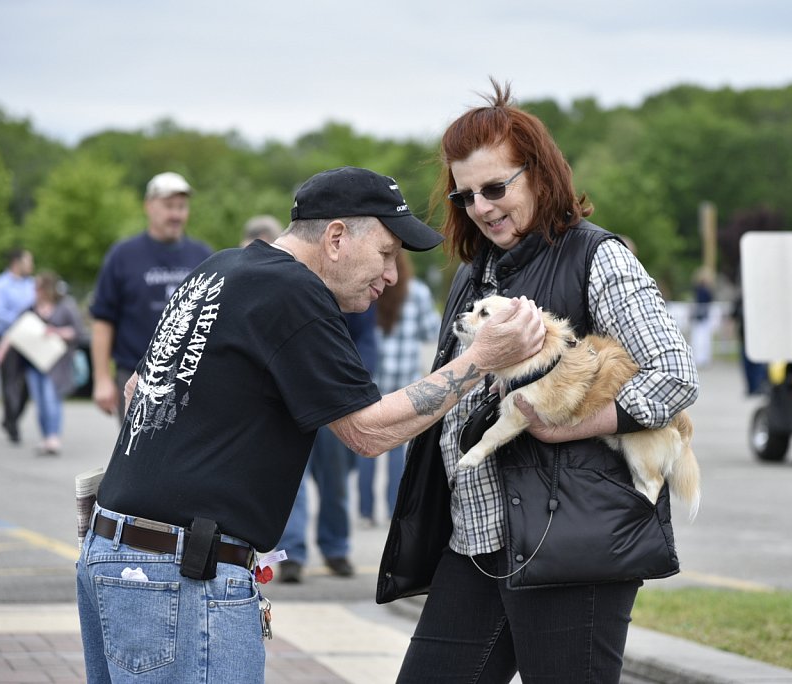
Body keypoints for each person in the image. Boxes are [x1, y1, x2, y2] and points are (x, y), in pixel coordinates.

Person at [76, 166, 546, 683]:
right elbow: (367, 432)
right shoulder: (294, 293)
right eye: (387, 253)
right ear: (337, 237)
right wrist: (481, 356)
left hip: (115, 556)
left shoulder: (220, 268)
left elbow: (138, 386)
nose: (391, 276)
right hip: (180, 575)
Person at [377, 80, 699, 683]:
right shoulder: (475, 273)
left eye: (496, 187)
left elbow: (674, 378)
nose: (481, 206)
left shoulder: (596, 256)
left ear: (541, 175)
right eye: (466, 194)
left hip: (569, 538)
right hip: (475, 540)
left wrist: (562, 425)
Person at [89, 171, 213, 419]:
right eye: (168, 206)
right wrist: (102, 379)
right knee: (136, 455)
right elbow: (102, 320)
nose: (176, 214)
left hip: (190, 378)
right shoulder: (123, 256)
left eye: (182, 206)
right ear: (148, 206)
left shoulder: (203, 256)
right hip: (135, 376)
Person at [276, 306, 377, 583]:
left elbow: (365, 339)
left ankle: (335, 549)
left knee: (336, 481)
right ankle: (291, 555)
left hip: (335, 398)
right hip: (289, 396)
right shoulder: (287, 281)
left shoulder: (350, 283)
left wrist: (358, 381)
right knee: (290, 484)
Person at [357, 251, 440, 526]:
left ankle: (367, 511)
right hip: (406, 380)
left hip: (373, 378)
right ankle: (394, 507)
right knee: (396, 447)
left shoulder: (371, 288)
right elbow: (431, 331)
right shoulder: (417, 292)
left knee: (368, 443)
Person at [0, 270, 86, 455]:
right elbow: (14, 331)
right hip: (34, 363)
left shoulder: (65, 306)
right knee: (40, 402)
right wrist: (0, 353)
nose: (35, 290)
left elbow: (78, 332)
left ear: (47, 288)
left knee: (52, 399)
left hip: (56, 363)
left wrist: (56, 332)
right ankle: (46, 438)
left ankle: (53, 437)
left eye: (38, 287)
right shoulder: (31, 307)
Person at [0, 248, 36, 443]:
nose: (32, 265)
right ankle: (12, 425)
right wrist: (21, 323)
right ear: (17, 263)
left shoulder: (31, 284)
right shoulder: (0, 285)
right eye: (29, 261)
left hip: (29, 339)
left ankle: (11, 418)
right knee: (9, 382)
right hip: (7, 339)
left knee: (28, 384)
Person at [690, 266, 716, 368]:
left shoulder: (702, 289)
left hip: (703, 316)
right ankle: (700, 358)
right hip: (700, 315)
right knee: (699, 338)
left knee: (703, 338)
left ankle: (703, 358)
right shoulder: (701, 290)